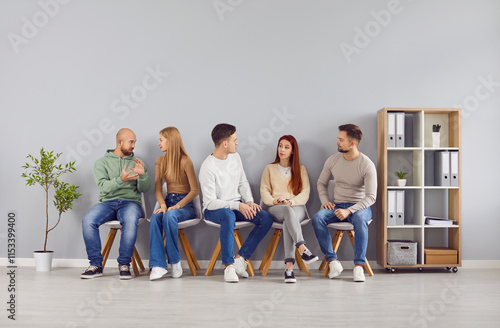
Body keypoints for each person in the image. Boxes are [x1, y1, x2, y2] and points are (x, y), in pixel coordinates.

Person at [199, 123, 273, 283]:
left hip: (237, 205)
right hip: (215, 210)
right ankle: (228, 266)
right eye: (235, 140)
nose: (237, 143)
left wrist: (250, 202)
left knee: (265, 218)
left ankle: (240, 259)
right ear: (225, 143)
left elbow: (243, 183)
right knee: (227, 215)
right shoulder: (208, 167)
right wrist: (237, 205)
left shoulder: (235, 157)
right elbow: (211, 202)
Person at [81, 128, 151, 279]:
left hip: (130, 203)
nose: (133, 146)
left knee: (130, 219)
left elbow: (145, 189)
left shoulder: (137, 162)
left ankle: (124, 264)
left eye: (135, 142)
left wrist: (142, 175)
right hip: (108, 203)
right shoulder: (102, 163)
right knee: (88, 220)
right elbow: (104, 187)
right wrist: (121, 180)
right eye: (131, 142)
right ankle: (95, 265)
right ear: (120, 142)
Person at [312, 124, 376, 282]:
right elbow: (321, 183)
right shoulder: (333, 160)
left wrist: (350, 211)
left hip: (359, 207)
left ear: (352, 143)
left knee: (361, 220)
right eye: (338, 139)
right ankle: (333, 261)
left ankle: (359, 267)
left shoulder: (367, 164)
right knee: (317, 218)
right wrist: (325, 201)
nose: (337, 142)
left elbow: (371, 197)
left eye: (341, 140)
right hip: (337, 206)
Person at [260, 135, 319, 283]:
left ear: (293, 151)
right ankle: (302, 248)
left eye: (286, 147)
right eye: (280, 146)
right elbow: (264, 192)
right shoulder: (269, 168)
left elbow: (305, 193)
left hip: (296, 207)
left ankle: (289, 269)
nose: (282, 149)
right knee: (287, 213)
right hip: (276, 208)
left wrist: (291, 202)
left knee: (289, 218)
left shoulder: (300, 169)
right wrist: (275, 200)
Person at [148, 127, 200, 281]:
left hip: (185, 206)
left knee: (170, 216)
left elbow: (195, 190)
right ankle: (158, 265)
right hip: (168, 202)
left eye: (161, 140)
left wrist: (178, 206)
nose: (159, 143)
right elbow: (157, 188)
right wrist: (163, 205)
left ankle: (175, 262)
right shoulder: (160, 161)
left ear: (171, 141)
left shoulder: (185, 161)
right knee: (155, 219)